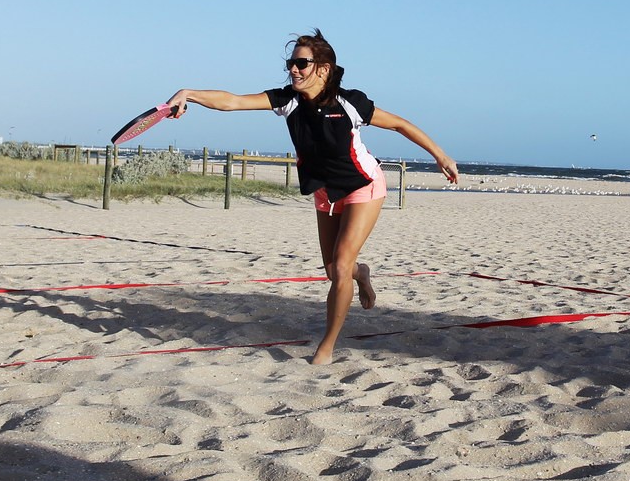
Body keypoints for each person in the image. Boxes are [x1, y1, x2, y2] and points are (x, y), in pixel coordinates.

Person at [166, 29, 458, 365]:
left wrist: (440, 155)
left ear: (322, 68)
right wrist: (188, 93)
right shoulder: (287, 99)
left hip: (364, 186)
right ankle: (361, 274)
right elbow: (232, 101)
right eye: (291, 63)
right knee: (335, 271)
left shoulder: (350, 102)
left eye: (301, 63)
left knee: (342, 262)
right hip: (324, 191)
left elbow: (400, 125)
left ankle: (327, 346)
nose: (294, 70)